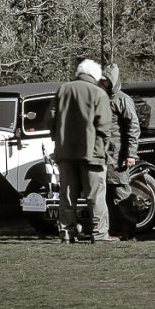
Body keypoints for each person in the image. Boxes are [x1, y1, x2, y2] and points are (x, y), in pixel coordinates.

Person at [51, 59, 116, 243]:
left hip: (65, 152)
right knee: (96, 195)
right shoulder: (99, 93)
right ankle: (100, 234)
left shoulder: (63, 89)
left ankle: (66, 233)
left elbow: (51, 118)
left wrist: (58, 140)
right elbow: (104, 126)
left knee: (67, 195)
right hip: (91, 153)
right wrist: (104, 148)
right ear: (95, 75)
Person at [99, 64, 140, 240]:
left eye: (106, 80)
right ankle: (113, 229)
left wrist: (130, 154)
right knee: (107, 193)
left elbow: (133, 127)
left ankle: (128, 229)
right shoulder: (101, 99)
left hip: (118, 154)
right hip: (103, 153)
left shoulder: (122, 100)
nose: (103, 82)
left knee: (120, 191)